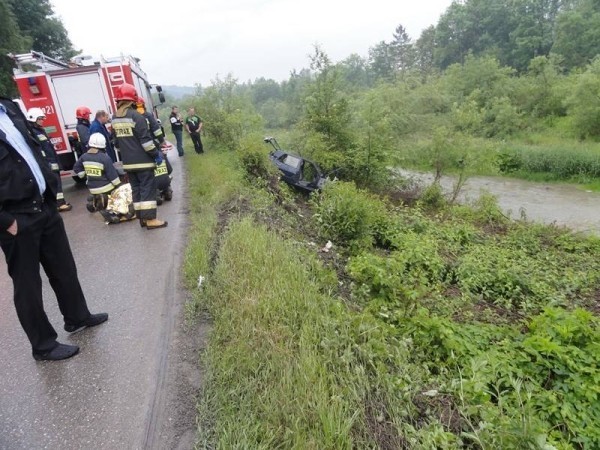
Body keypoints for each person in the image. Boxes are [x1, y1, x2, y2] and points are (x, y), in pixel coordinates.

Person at [0, 96, 108, 361]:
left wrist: (51, 191)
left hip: (44, 206)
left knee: (64, 268)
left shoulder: (9, 108)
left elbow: (33, 150)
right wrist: (5, 221)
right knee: (28, 285)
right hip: (15, 217)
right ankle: (44, 345)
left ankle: (77, 317)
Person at [111, 83, 167, 230]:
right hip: (143, 162)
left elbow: (116, 143)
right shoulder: (137, 116)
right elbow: (147, 142)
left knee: (136, 190)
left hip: (128, 164)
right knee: (147, 189)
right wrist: (156, 155)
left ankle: (142, 218)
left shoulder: (115, 118)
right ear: (133, 99)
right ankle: (151, 220)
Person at [26, 107, 73, 212]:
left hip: (51, 162)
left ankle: (59, 203)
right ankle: (59, 204)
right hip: (49, 163)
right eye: (40, 118)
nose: (42, 120)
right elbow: (40, 150)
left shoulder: (38, 131)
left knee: (56, 183)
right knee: (55, 183)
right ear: (34, 119)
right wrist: (47, 164)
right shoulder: (34, 133)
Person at [73, 133, 124, 224]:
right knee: (117, 196)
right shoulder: (104, 158)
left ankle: (94, 203)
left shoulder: (84, 156)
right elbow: (112, 175)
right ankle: (108, 212)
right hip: (106, 188)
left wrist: (84, 175)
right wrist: (119, 186)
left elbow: (76, 168)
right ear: (103, 145)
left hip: (92, 188)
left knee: (97, 195)